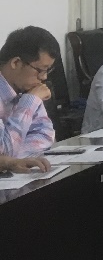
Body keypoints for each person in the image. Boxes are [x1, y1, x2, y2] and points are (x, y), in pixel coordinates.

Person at [0, 25, 58, 167]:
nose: (43, 77)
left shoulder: (26, 88)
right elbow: (5, 150)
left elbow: (46, 135)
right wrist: (30, 101)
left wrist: (13, 160)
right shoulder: (31, 96)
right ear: (16, 63)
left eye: (47, 70)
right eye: (40, 70)